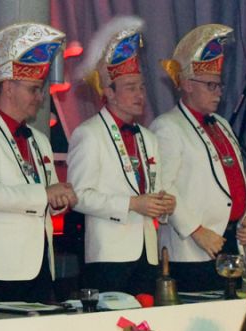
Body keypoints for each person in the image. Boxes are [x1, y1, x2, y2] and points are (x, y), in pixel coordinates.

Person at [69, 17, 173, 296]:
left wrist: (164, 204)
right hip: (108, 254)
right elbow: (78, 196)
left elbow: (154, 190)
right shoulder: (89, 134)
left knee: (146, 318)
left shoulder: (148, 137)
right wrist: (132, 204)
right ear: (109, 93)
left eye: (141, 87)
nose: (140, 94)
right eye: (130, 87)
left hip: (147, 252)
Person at [0, 23, 73, 306]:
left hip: (40, 265)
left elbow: (47, 197)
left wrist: (59, 200)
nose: (40, 98)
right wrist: (46, 194)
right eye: (34, 89)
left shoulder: (40, 139)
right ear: (8, 88)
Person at [152, 24, 246, 293]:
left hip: (229, 241)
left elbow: (236, 177)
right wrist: (196, 230)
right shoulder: (168, 126)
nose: (218, 92)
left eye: (219, 85)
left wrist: (245, 216)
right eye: (210, 85)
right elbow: (164, 187)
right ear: (186, 84)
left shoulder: (222, 124)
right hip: (192, 247)